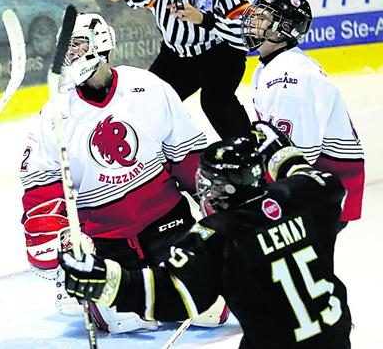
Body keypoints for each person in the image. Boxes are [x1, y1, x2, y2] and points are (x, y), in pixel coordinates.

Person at [19, 12, 228, 334]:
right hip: (107, 240)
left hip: (166, 225)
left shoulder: (146, 86)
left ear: (101, 44)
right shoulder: (54, 114)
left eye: (77, 45)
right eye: (66, 49)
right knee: (124, 322)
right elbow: (42, 188)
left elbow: (186, 156)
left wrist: (212, 199)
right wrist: (54, 235)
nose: (71, 55)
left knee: (208, 311)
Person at [60, 122, 352, 348]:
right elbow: (325, 182)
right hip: (334, 338)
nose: (204, 189)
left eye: (209, 182)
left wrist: (103, 280)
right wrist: (283, 153)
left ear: (226, 189)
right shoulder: (300, 197)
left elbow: (169, 294)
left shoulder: (219, 236)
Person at [105, 0, 251, 139]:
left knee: (215, 102)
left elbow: (244, 31)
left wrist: (204, 19)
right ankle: (157, 158)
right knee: (147, 102)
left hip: (220, 55)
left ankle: (251, 152)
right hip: (177, 58)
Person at [241, 0, 365, 229]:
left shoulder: (290, 80)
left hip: (324, 190)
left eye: (263, 17)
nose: (253, 22)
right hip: (317, 184)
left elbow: (298, 156)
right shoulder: (275, 65)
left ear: (284, 30)